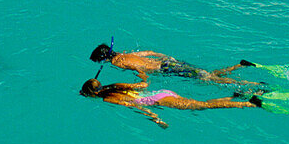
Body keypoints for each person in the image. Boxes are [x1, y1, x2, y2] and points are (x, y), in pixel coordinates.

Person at [79, 77, 260, 128]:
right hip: (161, 93)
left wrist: (155, 119)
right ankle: (236, 97)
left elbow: (135, 105)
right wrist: (142, 74)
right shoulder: (113, 86)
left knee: (204, 106)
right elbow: (142, 84)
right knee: (201, 103)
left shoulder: (108, 98)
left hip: (158, 101)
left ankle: (249, 103)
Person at [89, 43, 255, 83]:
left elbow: (136, 67)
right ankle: (238, 66)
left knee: (207, 78)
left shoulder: (117, 62)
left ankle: (247, 85)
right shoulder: (127, 53)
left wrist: (144, 79)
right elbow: (149, 53)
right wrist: (164, 56)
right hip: (166, 61)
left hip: (166, 68)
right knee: (205, 73)